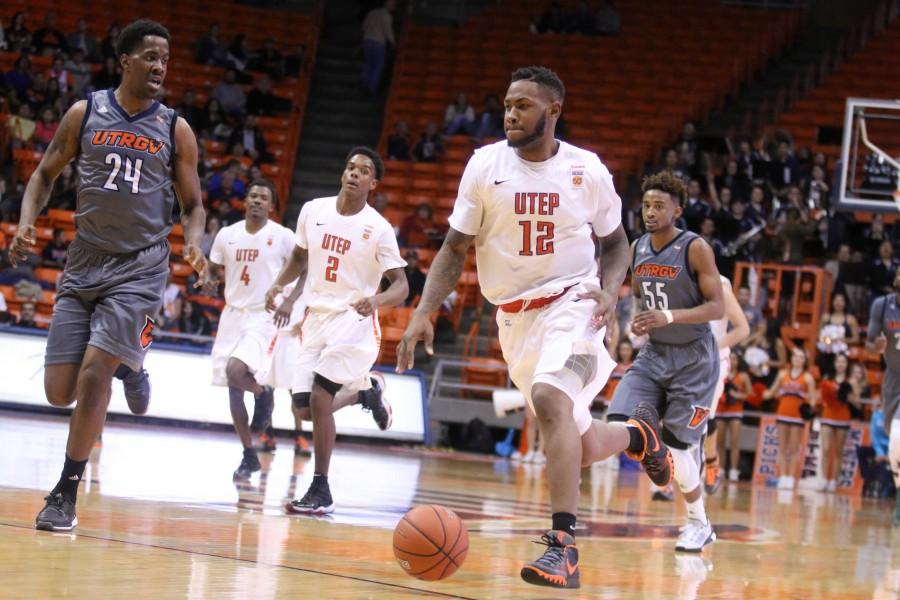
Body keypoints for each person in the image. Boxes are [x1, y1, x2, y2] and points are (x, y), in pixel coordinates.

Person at [396, 66, 669, 589]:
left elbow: (616, 246)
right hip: (514, 321)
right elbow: (455, 248)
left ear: (554, 111)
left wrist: (610, 292)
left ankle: (563, 547)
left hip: (575, 305)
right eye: (506, 105)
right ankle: (638, 435)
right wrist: (424, 310)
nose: (510, 114)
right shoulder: (484, 166)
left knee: (548, 399)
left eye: (522, 105)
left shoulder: (586, 170)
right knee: (579, 445)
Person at [9, 20, 207, 532]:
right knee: (59, 391)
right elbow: (43, 175)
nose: (159, 64)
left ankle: (65, 491)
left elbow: (193, 205)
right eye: (149, 55)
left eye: (165, 57)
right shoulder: (86, 112)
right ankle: (134, 366)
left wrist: (196, 243)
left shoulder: (174, 128)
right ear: (124, 60)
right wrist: (27, 222)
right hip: (85, 261)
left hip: (140, 265)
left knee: (95, 371)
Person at [267, 146, 405, 514]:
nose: (354, 173)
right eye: (350, 167)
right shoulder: (314, 210)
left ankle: (321, 489)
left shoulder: (378, 229)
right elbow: (299, 257)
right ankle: (364, 395)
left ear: (372, 183)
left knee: (319, 397)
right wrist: (279, 286)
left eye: (363, 171)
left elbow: (401, 286)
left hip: (353, 323)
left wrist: (375, 301)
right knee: (304, 411)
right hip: (316, 317)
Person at [608, 171, 725, 552]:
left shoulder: (695, 247)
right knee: (618, 422)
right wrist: (637, 321)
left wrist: (668, 316)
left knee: (678, 449)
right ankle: (655, 453)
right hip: (655, 353)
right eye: (646, 205)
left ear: (678, 209)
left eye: (660, 206)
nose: (651, 212)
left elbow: (716, 306)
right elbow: (643, 297)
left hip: (694, 361)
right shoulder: (639, 246)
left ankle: (699, 522)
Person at [205, 180, 295, 480]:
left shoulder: (282, 236)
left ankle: (262, 394)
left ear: (272, 205)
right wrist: (208, 279)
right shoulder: (227, 235)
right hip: (232, 314)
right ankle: (248, 454)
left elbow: (304, 266)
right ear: (244, 201)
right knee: (232, 389)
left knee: (235, 370)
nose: (257, 201)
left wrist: (290, 300)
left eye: (264, 197)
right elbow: (214, 272)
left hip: (263, 315)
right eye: (253, 196)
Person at [703, 275, 750, 494]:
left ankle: (711, 461)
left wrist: (712, 348)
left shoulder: (719, 284)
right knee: (672, 418)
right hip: (683, 357)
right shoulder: (677, 277)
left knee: (704, 418)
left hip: (714, 359)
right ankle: (667, 481)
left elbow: (742, 329)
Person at [866, 267, 900, 524]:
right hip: (893, 380)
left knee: (898, 437)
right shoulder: (882, 305)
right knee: (895, 446)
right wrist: (876, 346)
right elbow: (869, 343)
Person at [763, 346, 816, 490]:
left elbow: (812, 398)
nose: (798, 359)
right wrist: (764, 394)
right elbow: (772, 392)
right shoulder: (782, 374)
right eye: (796, 356)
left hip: (797, 416)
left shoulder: (807, 378)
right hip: (782, 413)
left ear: (804, 361)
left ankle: (790, 477)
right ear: (792, 359)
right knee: (782, 447)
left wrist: (809, 408)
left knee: (793, 448)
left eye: (801, 357)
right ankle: (782, 476)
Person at [819, 353, 860, 492]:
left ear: (847, 364)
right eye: (838, 361)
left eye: (843, 362)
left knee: (838, 451)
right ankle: (823, 479)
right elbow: (821, 397)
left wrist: (846, 395)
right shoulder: (827, 378)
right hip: (827, 415)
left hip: (842, 417)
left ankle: (833, 481)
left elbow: (858, 403)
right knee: (825, 448)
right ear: (834, 363)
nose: (841, 364)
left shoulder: (851, 381)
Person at [717, 356, 751, 481]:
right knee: (719, 441)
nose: (732, 361)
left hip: (735, 411)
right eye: (730, 358)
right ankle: (720, 469)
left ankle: (733, 470)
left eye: (735, 359)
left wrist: (737, 395)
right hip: (721, 410)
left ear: (738, 361)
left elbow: (750, 394)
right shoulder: (720, 373)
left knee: (734, 442)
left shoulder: (743, 376)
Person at [360, 0, 395, 95]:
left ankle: (364, 84)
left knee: (367, 63)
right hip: (378, 43)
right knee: (377, 66)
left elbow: (364, 26)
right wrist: (393, 42)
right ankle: (371, 88)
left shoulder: (372, 13)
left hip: (367, 41)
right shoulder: (387, 16)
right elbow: (388, 32)